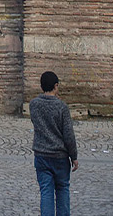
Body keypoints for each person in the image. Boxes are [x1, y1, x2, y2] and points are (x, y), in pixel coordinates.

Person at [30, 71, 78, 216]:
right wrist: (74, 156)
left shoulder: (34, 105)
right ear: (56, 86)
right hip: (60, 156)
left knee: (46, 191)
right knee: (63, 189)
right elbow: (68, 134)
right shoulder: (62, 107)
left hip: (41, 154)